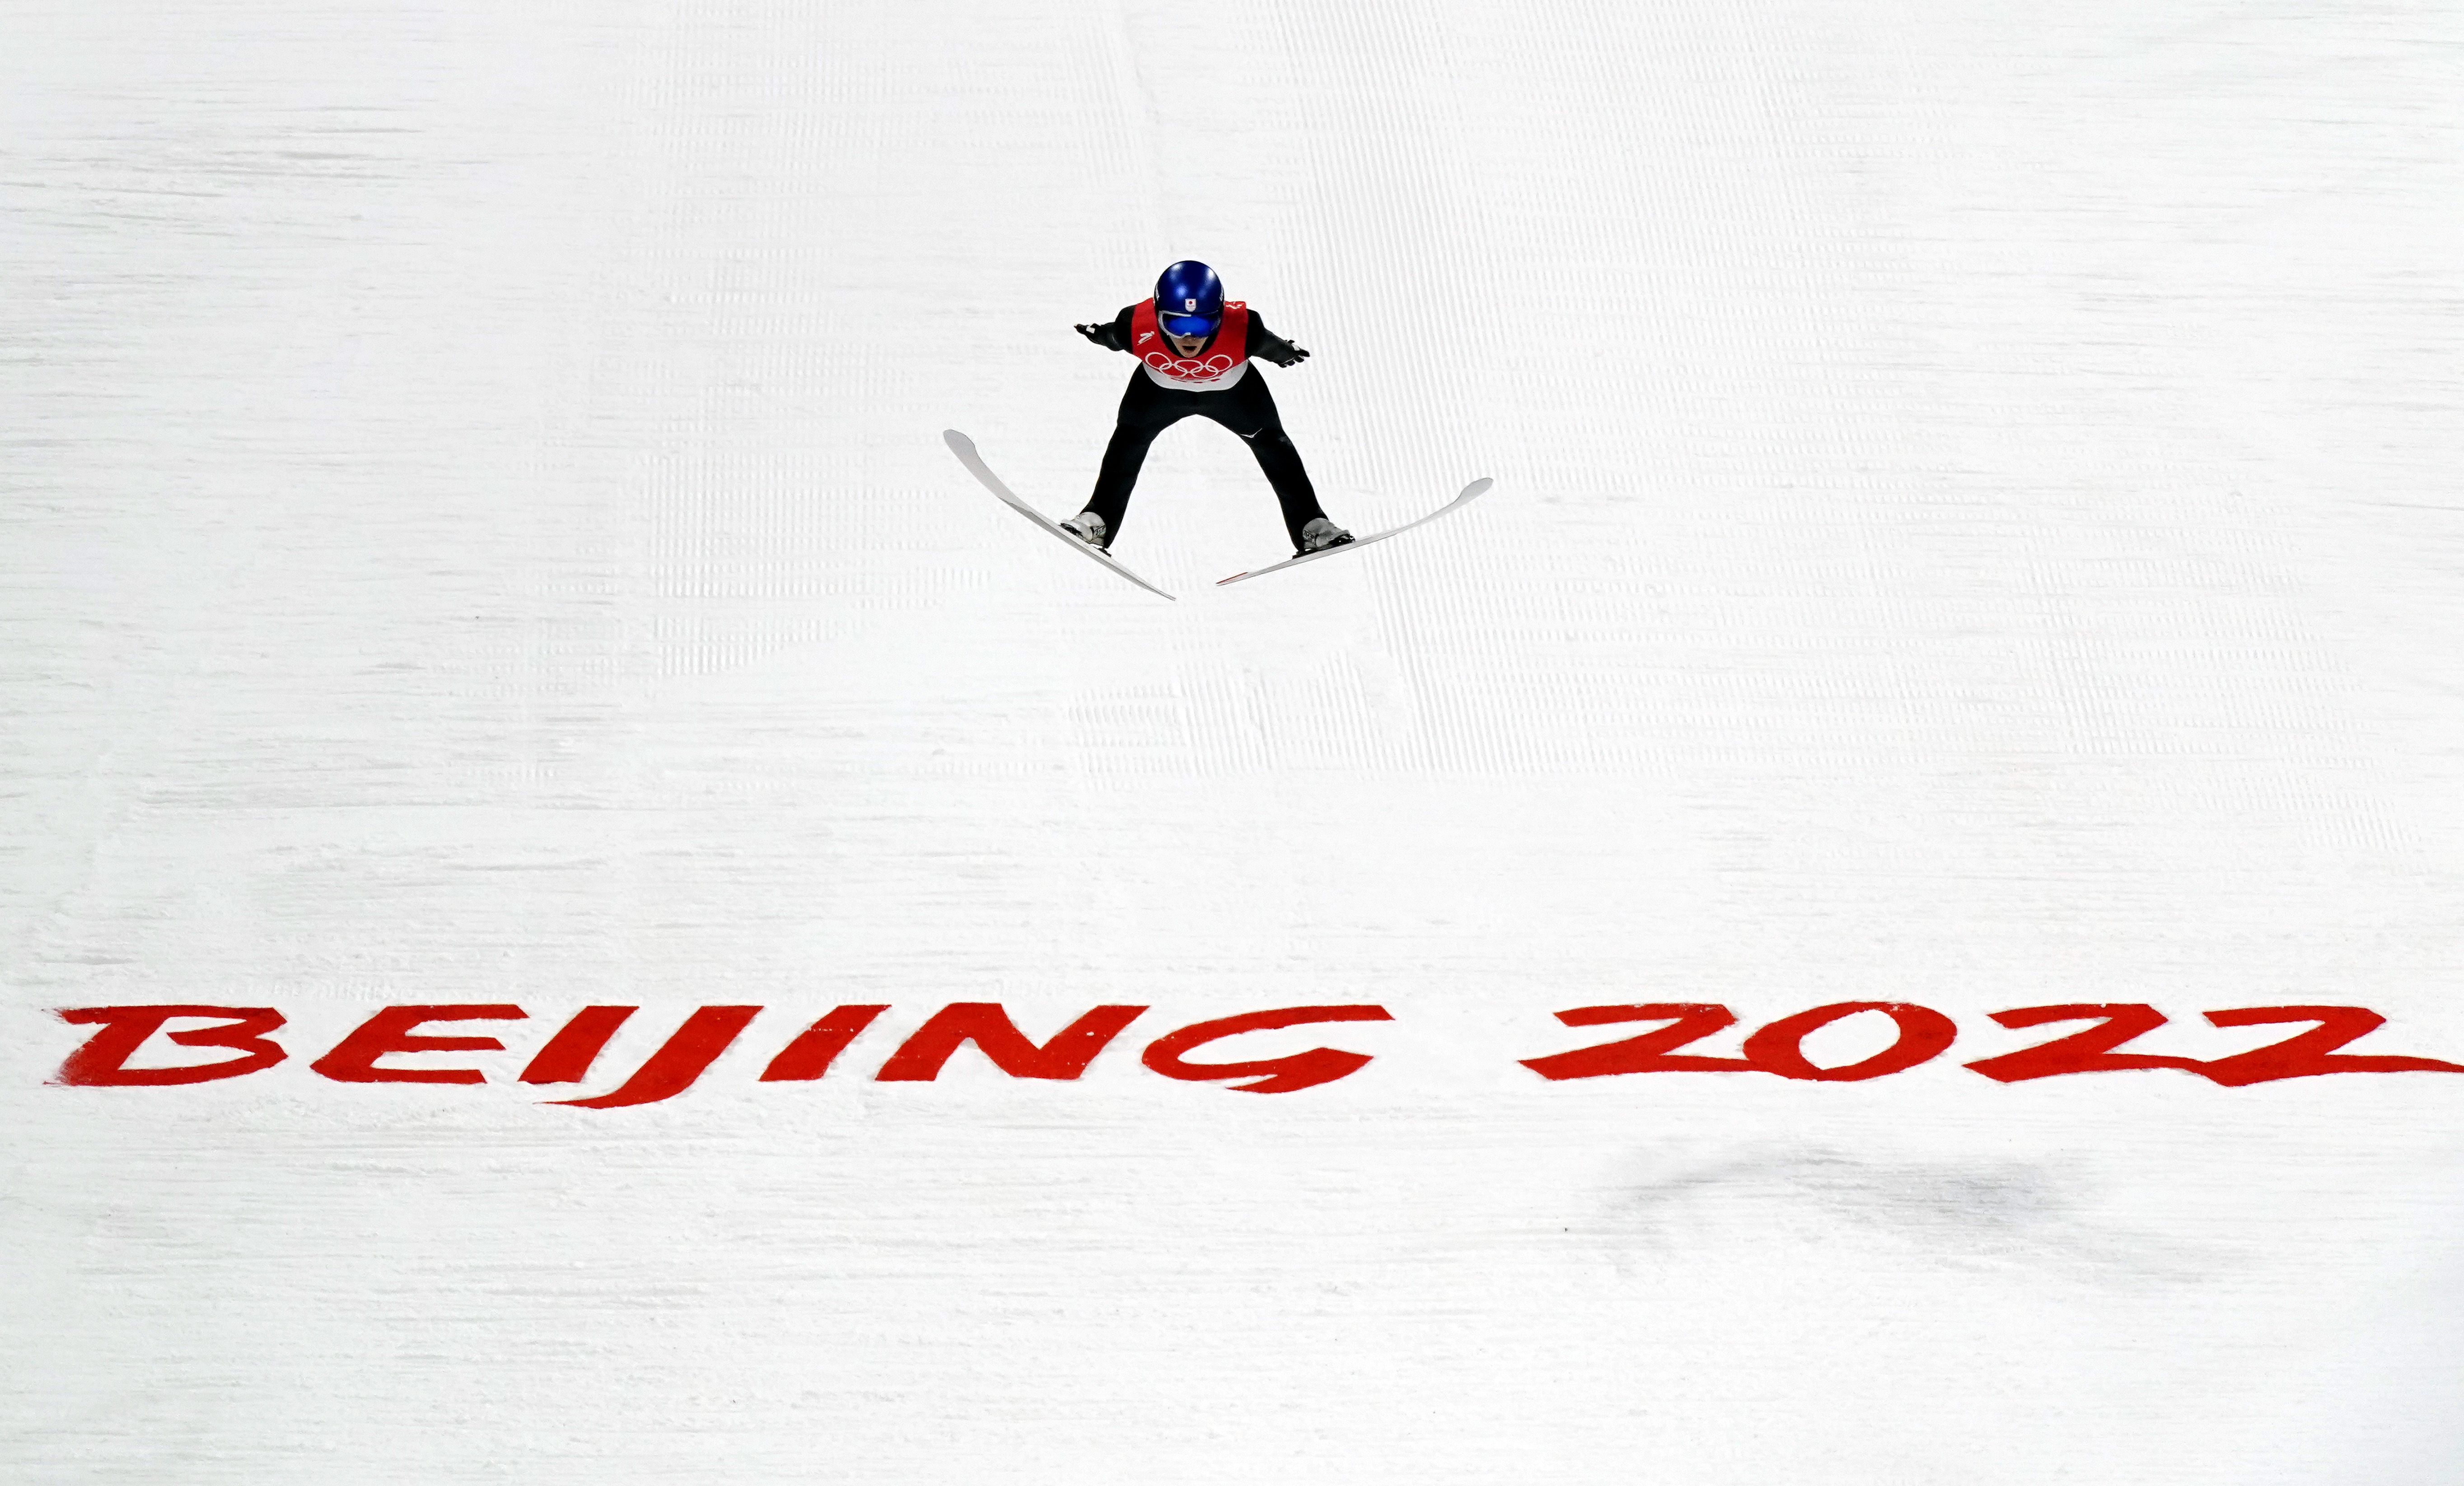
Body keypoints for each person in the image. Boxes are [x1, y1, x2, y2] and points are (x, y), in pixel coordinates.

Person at [1065, 261, 1352, 557]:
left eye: (1202, 324)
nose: (1190, 337)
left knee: (1276, 448)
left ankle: (1313, 526)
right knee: (1126, 445)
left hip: (1234, 395)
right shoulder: (1134, 325)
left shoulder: (1244, 327)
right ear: (1157, 316)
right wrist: (1096, 333)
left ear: (1219, 317)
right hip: (1158, 394)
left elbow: (1271, 346)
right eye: (1176, 324)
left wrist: (1286, 353)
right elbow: (1112, 337)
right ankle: (1096, 521)